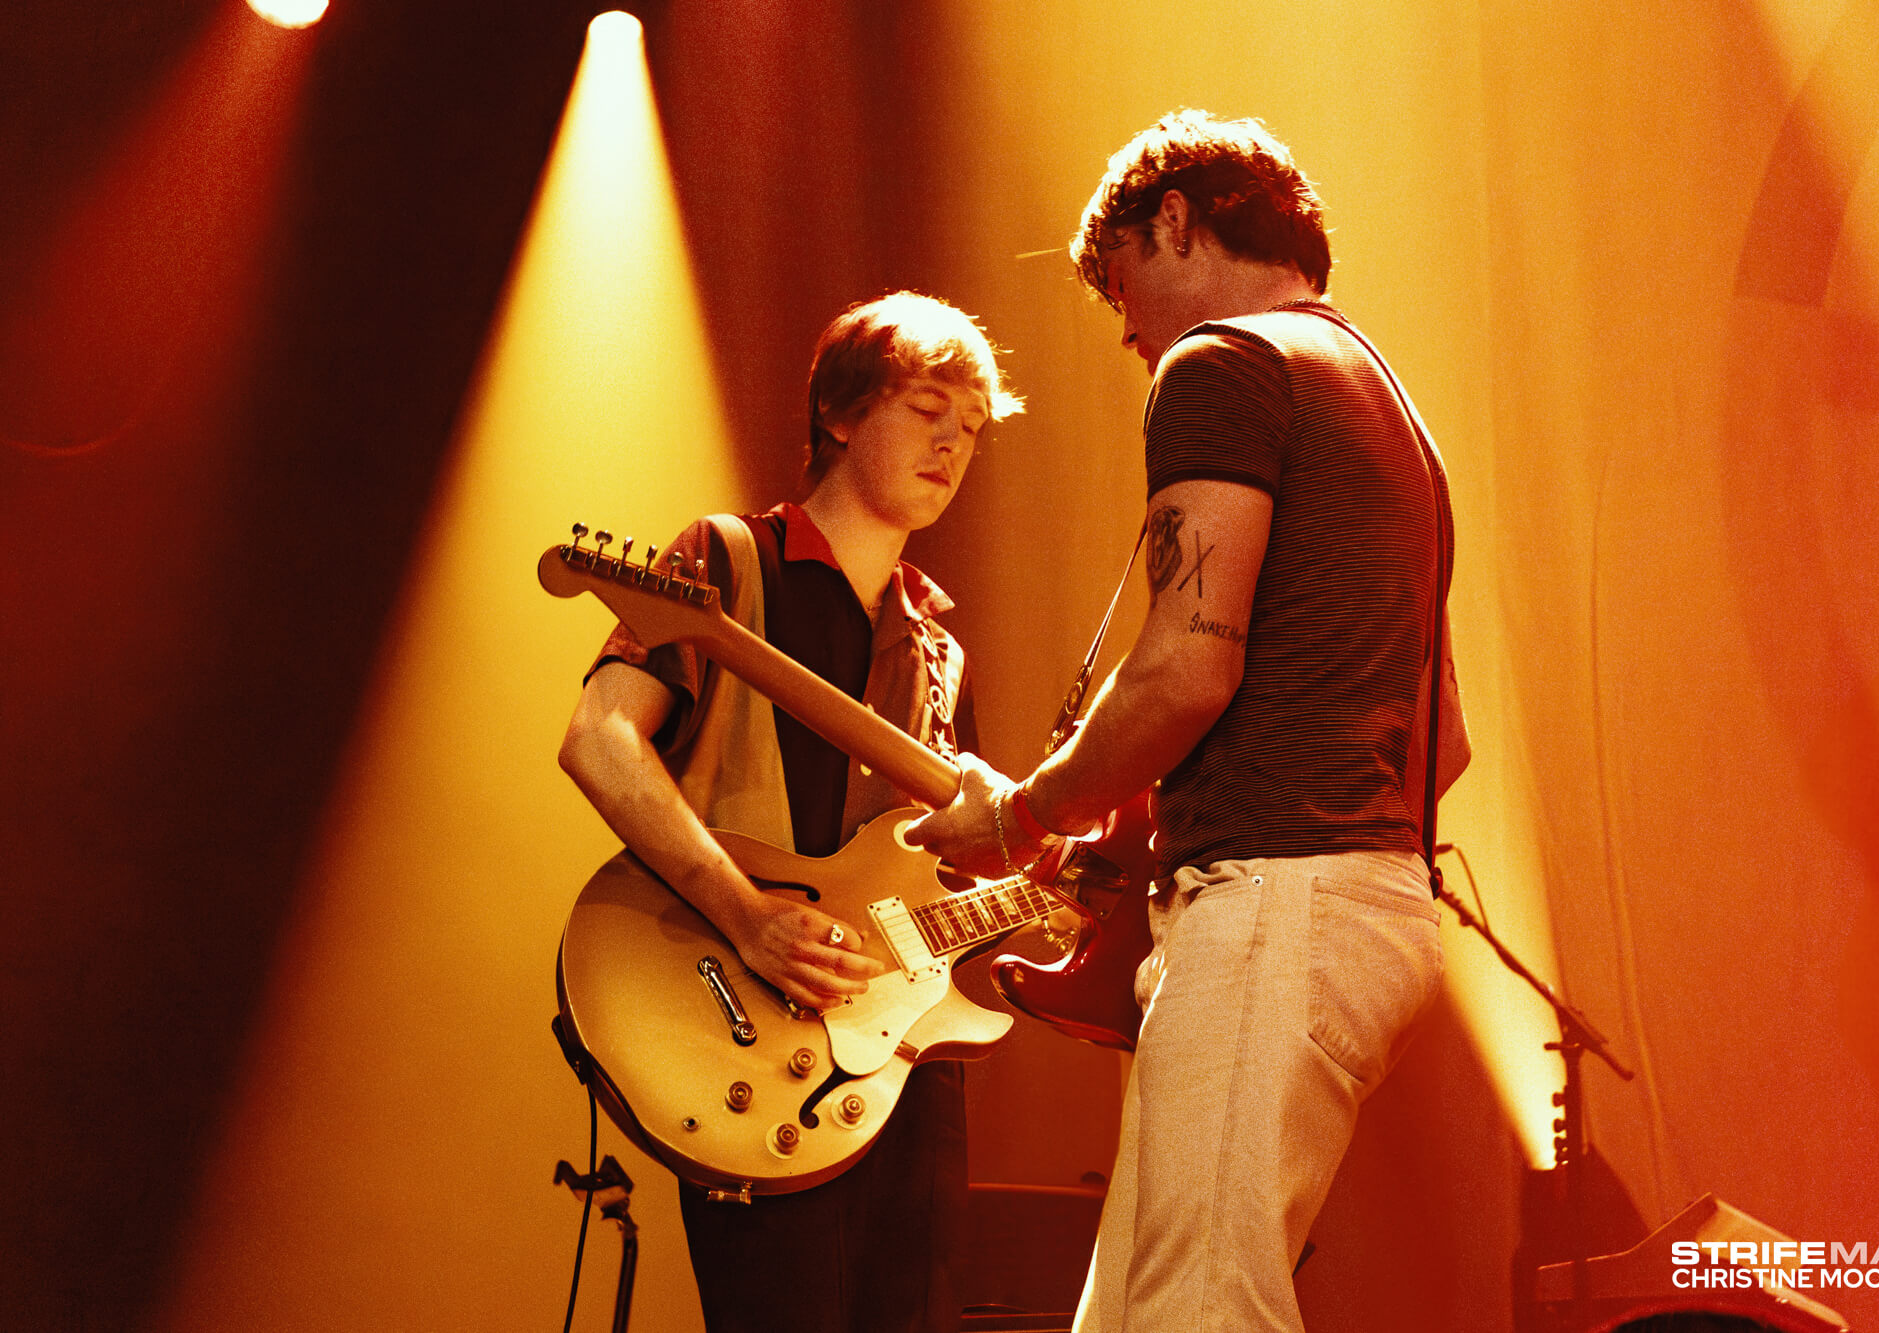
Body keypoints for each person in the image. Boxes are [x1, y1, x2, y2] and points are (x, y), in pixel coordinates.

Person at [908, 111, 1471, 1332]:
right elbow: (1446, 738)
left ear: (1173, 220)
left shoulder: (1221, 362)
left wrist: (1021, 815)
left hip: (1274, 903)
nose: (1125, 330)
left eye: (1119, 284)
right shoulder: (1383, 403)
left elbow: (1183, 669)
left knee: (1197, 1316)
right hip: (1360, 904)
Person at [558, 291, 1021, 1333]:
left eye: (971, 425)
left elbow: (954, 869)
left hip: (904, 1056)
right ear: (842, 413)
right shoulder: (725, 561)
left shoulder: (940, 646)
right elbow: (598, 738)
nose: (953, 441)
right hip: (746, 1028)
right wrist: (748, 914)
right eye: (927, 407)